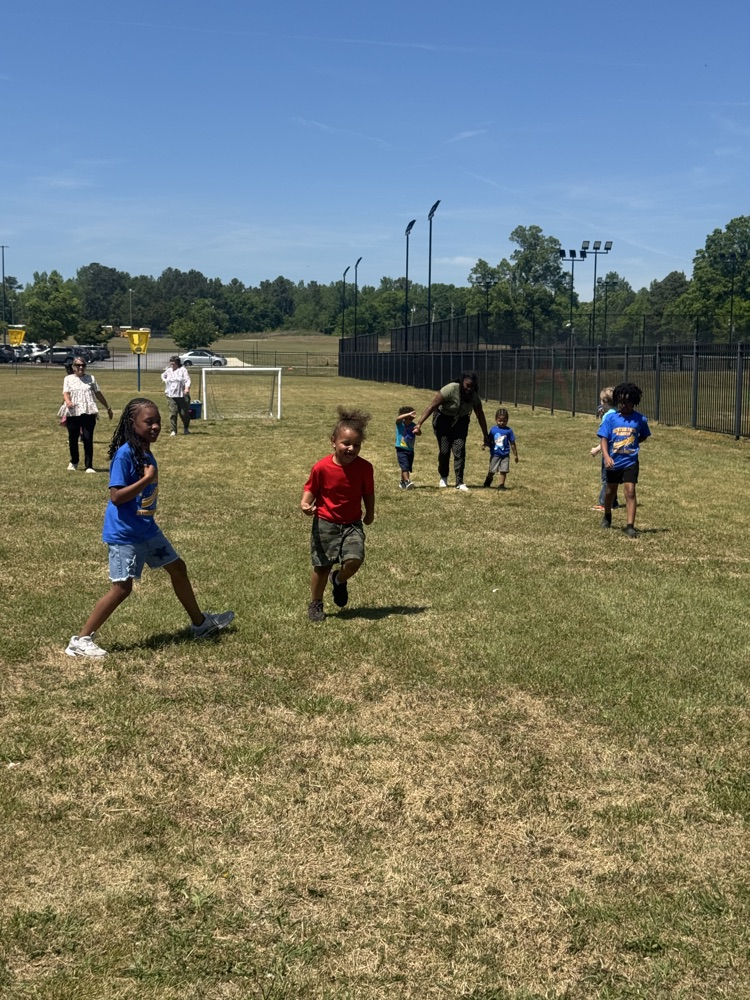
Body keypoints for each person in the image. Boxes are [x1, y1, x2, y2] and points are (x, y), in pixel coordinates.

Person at [65, 398, 234, 657]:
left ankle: (200, 624)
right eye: (149, 422)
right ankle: (81, 640)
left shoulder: (143, 450)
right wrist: (146, 480)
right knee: (122, 588)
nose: (155, 426)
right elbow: (116, 497)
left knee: (178, 567)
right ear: (132, 424)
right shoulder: (124, 455)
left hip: (147, 529)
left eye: (158, 421)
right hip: (126, 534)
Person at [300, 406, 375, 622]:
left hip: (352, 523)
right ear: (333, 441)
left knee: (355, 559)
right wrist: (305, 504)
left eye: (357, 445)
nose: (351, 449)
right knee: (322, 566)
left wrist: (370, 513)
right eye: (346, 444)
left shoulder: (365, 468)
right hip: (325, 523)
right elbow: (311, 489)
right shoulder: (321, 467)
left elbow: (368, 492)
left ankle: (339, 580)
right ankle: (316, 603)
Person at [413, 372, 490, 491]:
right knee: (444, 450)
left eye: (472, 386)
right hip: (443, 420)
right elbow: (432, 406)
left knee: (459, 450)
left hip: (461, 422)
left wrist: (485, 434)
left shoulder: (474, 397)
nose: (469, 389)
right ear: (462, 382)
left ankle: (459, 481)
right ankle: (443, 477)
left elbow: (480, 415)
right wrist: (419, 424)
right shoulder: (450, 389)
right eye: (467, 385)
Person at [597, 382, 651, 538]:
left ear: (634, 401)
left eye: (627, 402)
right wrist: (606, 456)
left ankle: (630, 526)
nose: (624, 405)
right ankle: (607, 515)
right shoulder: (611, 419)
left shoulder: (640, 419)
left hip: (630, 462)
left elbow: (644, 435)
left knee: (630, 492)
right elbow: (604, 439)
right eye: (621, 401)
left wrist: (633, 443)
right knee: (610, 491)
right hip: (614, 462)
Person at [62, 355, 113, 472]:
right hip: (73, 412)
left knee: (88, 438)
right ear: (73, 367)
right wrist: (68, 402)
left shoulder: (91, 378)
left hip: (88, 411)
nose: (81, 367)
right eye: (78, 365)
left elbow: (98, 394)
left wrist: (107, 407)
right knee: (73, 438)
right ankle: (74, 461)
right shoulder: (68, 379)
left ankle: (89, 466)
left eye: (83, 365)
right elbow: (66, 393)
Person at [590, 386, 620, 512]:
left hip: (608, 451)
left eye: (602, 401)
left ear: (606, 402)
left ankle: (604, 503)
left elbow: (605, 436)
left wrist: (598, 449)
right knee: (612, 477)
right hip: (617, 451)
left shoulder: (608, 416)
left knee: (606, 478)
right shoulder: (617, 413)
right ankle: (614, 501)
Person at [483, 408, 518, 489]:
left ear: (507, 420)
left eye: (504, 421)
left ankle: (501, 485)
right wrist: (485, 444)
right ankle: (488, 480)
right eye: (500, 421)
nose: (502, 423)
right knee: (492, 470)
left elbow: (512, 443)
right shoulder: (493, 430)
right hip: (495, 454)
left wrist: (515, 455)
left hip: (505, 454)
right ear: (496, 420)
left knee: (504, 470)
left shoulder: (509, 431)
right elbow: (489, 440)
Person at [161, 355, 192, 436]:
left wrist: (186, 388)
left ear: (177, 363)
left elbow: (187, 380)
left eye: (173, 362)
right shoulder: (168, 370)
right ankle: (173, 430)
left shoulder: (183, 370)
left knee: (183, 414)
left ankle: (186, 428)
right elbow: (163, 375)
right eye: (171, 362)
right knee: (173, 413)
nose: (171, 364)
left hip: (182, 396)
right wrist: (165, 381)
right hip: (171, 395)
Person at [395, 406, 417, 490]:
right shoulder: (400, 424)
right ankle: (407, 481)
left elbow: (419, 433)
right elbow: (398, 418)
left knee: (406, 466)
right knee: (404, 466)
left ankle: (402, 482)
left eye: (410, 419)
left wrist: (417, 431)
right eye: (406, 418)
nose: (408, 421)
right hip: (401, 448)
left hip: (410, 449)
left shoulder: (413, 425)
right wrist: (407, 414)